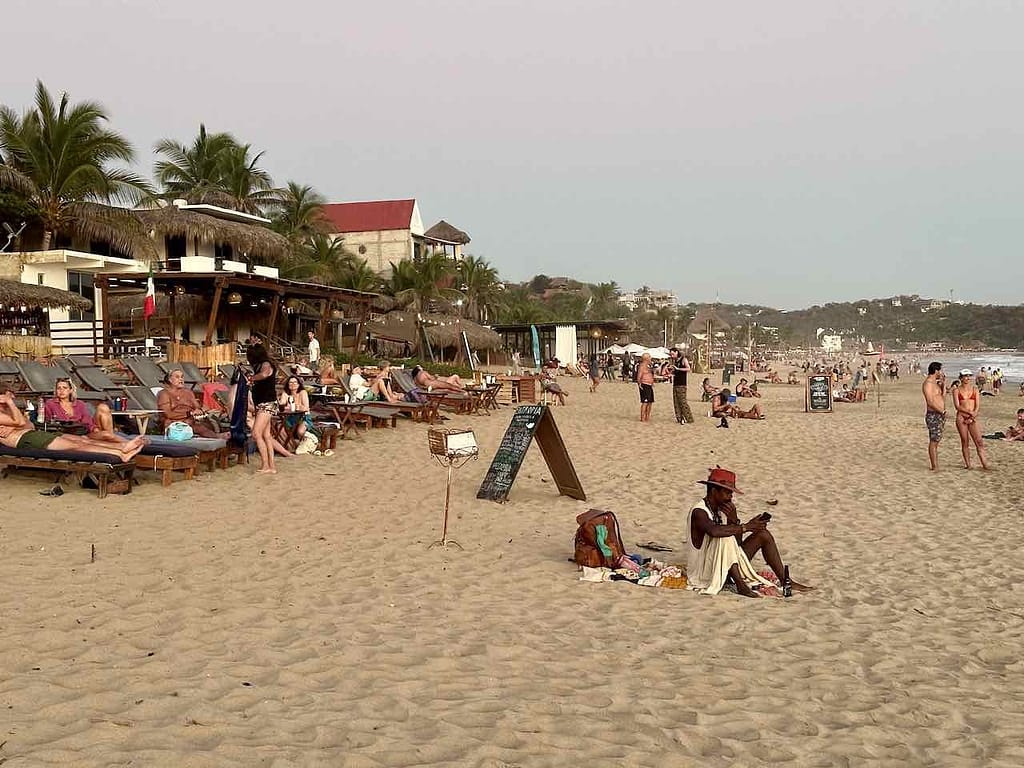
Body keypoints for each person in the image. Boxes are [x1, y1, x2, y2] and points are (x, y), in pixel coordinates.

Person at [686, 467, 810, 597]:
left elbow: (736, 545)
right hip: (704, 572)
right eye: (727, 492)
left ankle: (786, 580)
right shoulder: (699, 511)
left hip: (725, 565)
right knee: (724, 536)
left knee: (763, 535)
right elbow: (714, 531)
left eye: (731, 493)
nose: (730, 496)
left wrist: (734, 520)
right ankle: (740, 585)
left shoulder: (722, 510)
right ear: (713, 491)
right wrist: (746, 527)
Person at [0, 389, 145, 461]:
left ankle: (121, 447)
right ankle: (120, 453)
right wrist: (13, 410)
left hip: (32, 434)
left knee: (82, 441)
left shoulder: (9, 412)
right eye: (8, 395)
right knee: (75, 447)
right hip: (24, 440)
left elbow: (29, 425)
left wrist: (15, 423)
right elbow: (20, 422)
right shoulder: (6, 411)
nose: (12, 398)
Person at [44, 377, 125, 445]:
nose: (61, 391)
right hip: (65, 435)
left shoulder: (79, 404)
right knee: (106, 435)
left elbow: (88, 423)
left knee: (103, 408)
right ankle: (129, 445)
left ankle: (127, 444)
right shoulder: (50, 404)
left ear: (70, 390)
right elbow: (47, 423)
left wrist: (95, 430)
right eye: (59, 388)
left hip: (83, 434)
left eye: (65, 388)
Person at [157, 369, 227, 439]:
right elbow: (168, 414)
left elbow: (197, 407)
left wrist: (199, 410)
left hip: (190, 421)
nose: (181, 379)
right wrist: (189, 413)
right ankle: (218, 437)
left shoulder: (188, 392)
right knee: (198, 427)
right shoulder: (164, 394)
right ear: (170, 380)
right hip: (173, 424)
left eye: (182, 377)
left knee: (206, 425)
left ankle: (219, 437)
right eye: (177, 377)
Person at [247, 335, 279, 474]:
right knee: (266, 435)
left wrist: (252, 378)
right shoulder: (260, 365)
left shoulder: (265, 364)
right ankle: (271, 466)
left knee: (256, 433)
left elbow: (265, 374)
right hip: (263, 404)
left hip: (267, 404)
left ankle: (265, 465)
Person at [953, 370, 991, 470]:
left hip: (973, 417)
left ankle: (985, 464)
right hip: (961, 417)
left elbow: (977, 405)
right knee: (965, 441)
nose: (968, 378)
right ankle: (968, 464)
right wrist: (969, 413)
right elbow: (957, 406)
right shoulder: (956, 390)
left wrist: (973, 415)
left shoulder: (975, 389)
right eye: (965, 376)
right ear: (961, 378)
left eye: (969, 376)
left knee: (979, 441)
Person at [922, 361, 946, 471]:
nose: (941, 372)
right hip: (934, 414)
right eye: (940, 370)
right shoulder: (928, 384)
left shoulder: (936, 384)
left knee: (937, 439)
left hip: (940, 414)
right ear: (936, 370)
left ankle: (935, 464)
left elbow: (942, 396)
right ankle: (934, 466)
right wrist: (941, 411)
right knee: (934, 440)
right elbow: (930, 401)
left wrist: (943, 384)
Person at [278, 375, 314, 442]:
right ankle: (290, 445)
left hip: (303, 417)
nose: (293, 384)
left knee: (300, 432)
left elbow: (306, 408)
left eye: (295, 382)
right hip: (289, 418)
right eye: (290, 382)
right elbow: (282, 404)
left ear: (298, 384)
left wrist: (294, 406)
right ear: (287, 384)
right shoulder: (286, 393)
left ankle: (306, 444)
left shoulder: (302, 392)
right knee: (280, 429)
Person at [671, 353, 694, 424]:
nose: (672, 356)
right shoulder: (675, 361)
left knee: (683, 402)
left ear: (676, 352)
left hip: (682, 384)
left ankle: (689, 419)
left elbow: (688, 368)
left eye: (672, 354)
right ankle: (680, 418)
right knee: (676, 402)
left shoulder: (683, 359)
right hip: (675, 383)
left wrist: (678, 369)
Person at [636, 352, 655, 422]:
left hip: (649, 385)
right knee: (645, 402)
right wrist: (639, 383)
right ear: (646, 359)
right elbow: (639, 376)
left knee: (650, 402)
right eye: (650, 357)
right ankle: (642, 418)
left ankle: (647, 417)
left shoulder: (648, 366)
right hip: (644, 384)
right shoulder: (642, 366)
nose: (651, 358)